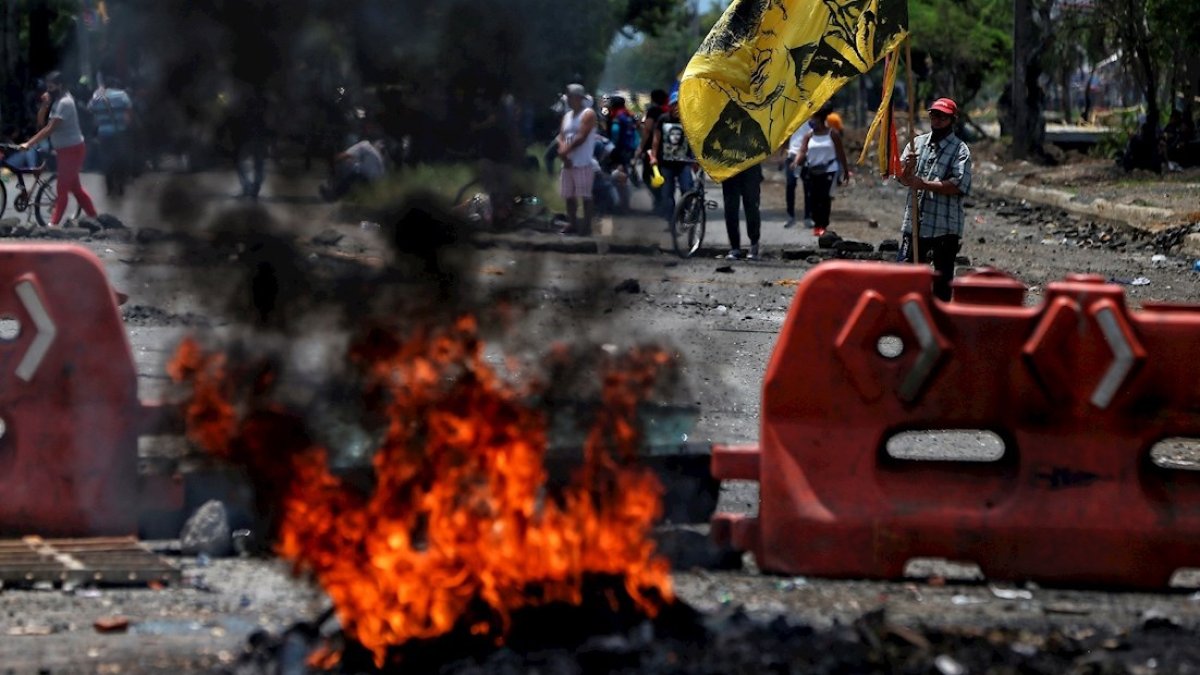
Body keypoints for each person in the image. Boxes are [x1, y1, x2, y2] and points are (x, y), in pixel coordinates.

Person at [896, 97, 973, 302]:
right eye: (934, 115)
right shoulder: (917, 144)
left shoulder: (960, 150)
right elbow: (903, 179)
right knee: (909, 277)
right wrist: (908, 168)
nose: (937, 120)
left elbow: (958, 185)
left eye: (942, 117)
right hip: (915, 223)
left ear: (951, 120)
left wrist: (925, 185)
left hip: (944, 226)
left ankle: (939, 326)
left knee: (942, 283)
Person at [20, 71, 98, 227]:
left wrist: (29, 143)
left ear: (60, 86)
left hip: (73, 150)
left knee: (62, 187)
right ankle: (94, 217)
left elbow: (50, 129)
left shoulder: (65, 103)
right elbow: (41, 123)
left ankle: (53, 224)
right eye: (47, 87)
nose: (49, 90)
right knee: (76, 189)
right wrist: (44, 105)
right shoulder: (56, 102)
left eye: (51, 87)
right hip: (64, 150)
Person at [792, 105, 849, 237]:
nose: (812, 122)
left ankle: (823, 225)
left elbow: (841, 153)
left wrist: (845, 170)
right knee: (813, 198)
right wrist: (796, 161)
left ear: (820, 119)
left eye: (814, 119)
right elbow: (802, 151)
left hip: (829, 170)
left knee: (824, 198)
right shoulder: (809, 136)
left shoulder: (832, 134)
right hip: (813, 170)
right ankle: (817, 224)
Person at [556, 83, 598, 236]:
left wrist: (567, 149)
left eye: (571, 97)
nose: (568, 100)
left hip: (582, 161)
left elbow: (582, 136)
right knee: (569, 195)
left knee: (585, 195)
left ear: (579, 98)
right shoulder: (567, 116)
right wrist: (562, 152)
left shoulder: (588, 114)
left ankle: (586, 226)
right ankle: (572, 223)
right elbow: (561, 136)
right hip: (568, 161)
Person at [650, 90, 694, 227]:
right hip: (666, 163)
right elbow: (656, 139)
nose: (677, 108)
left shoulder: (689, 120)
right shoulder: (663, 119)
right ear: (670, 106)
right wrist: (653, 156)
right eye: (674, 105)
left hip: (684, 162)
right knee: (667, 194)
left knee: (687, 189)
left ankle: (685, 214)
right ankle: (671, 220)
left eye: (679, 105)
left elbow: (694, 140)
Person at [87, 76, 134, 196]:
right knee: (119, 158)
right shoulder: (123, 95)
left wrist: (99, 92)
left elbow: (90, 108)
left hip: (103, 134)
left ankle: (109, 188)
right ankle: (120, 187)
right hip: (120, 133)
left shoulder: (97, 96)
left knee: (106, 160)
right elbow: (128, 115)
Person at [319, 132, 387, 202]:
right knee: (353, 170)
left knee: (352, 174)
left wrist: (332, 161)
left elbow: (344, 156)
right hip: (378, 184)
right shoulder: (375, 153)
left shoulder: (364, 145)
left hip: (369, 181)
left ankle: (334, 195)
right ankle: (347, 195)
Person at [635, 89, 669, 210]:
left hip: (652, 148)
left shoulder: (653, 111)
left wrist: (641, 147)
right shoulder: (668, 111)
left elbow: (647, 130)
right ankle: (662, 199)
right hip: (666, 148)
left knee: (646, 175)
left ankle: (659, 198)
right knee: (660, 174)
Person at [722, 163, 764, 260]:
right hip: (729, 167)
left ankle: (754, 244)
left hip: (750, 167)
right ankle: (734, 247)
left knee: (752, 207)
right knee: (730, 209)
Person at [783, 118, 813, 228]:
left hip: (808, 157)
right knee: (790, 185)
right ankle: (790, 215)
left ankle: (808, 217)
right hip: (792, 156)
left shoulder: (813, 120)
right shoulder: (793, 117)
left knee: (808, 188)